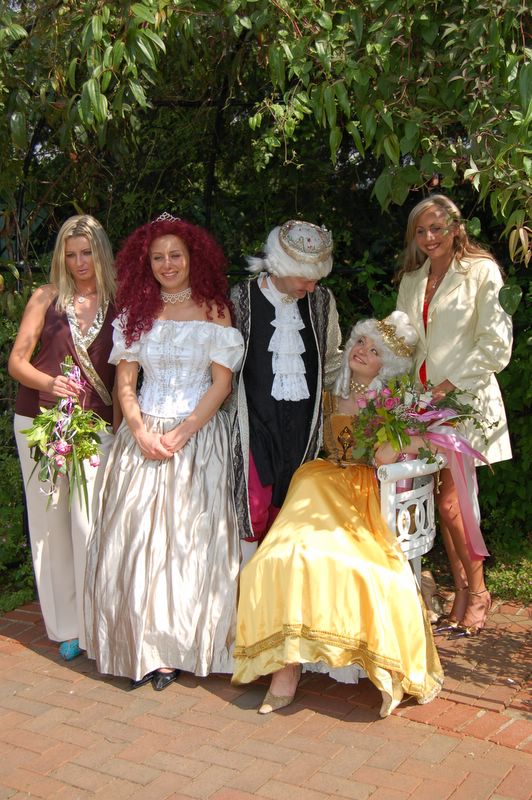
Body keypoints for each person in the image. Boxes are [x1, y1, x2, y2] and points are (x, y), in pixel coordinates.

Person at [232, 312, 444, 718]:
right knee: (281, 555)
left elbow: (427, 441)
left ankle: (384, 668)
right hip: (318, 482)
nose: (362, 351)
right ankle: (286, 668)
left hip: (363, 492)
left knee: (368, 569)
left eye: (374, 351)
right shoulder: (328, 388)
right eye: (360, 342)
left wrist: (397, 444)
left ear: (388, 366)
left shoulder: (394, 403)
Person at [84, 214, 244, 691]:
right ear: (146, 263)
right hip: (143, 437)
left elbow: (221, 384)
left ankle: (178, 649)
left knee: (187, 545)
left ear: (193, 258)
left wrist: (183, 433)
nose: (168, 264)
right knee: (136, 544)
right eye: (158, 257)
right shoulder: (135, 312)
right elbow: (125, 383)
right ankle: (143, 647)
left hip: (197, 439)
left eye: (176, 255)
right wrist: (139, 431)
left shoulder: (215, 310)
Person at [396, 194, 513, 638]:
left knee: (452, 503)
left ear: (456, 228)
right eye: (421, 230)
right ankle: (462, 594)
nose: (429, 237)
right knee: (443, 504)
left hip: (463, 403)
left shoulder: (481, 271)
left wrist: (446, 388)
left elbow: (495, 346)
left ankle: (479, 592)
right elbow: (404, 344)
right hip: (421, 408)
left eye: (437, 228)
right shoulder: (413, 279)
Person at [8, 214, 117, 661]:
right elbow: (17, 361)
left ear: (101, 252)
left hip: (97, 425)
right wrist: (48, 382)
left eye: (87, 252)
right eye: (70, 254)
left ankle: (96, 621)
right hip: (39, 421)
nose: (79, 262)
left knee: (90, 523)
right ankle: (66, 626)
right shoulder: (46, 297)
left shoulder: (122, 302)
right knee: (50, 526)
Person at [230, 220, 342, 561]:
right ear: (280, 266)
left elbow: (331, 361)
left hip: (303, 428)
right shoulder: (240, 298)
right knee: (253, 508)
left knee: (293, 511)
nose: (311, 286)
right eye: (305, 278)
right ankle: (245, 587)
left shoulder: (322, 301)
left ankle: (279, 587)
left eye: (316, 279)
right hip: (254, 424)